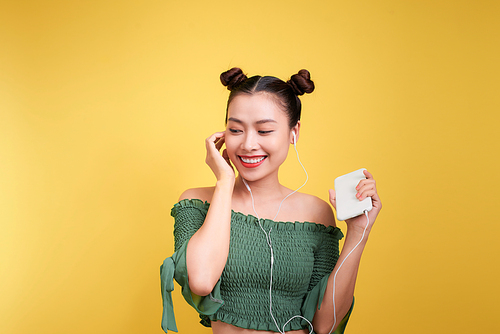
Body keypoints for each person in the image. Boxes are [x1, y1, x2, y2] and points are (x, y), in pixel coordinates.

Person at [160, 68, 382, 334]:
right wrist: (224, 182)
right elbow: (202, 282)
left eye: (264, 131)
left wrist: (358, 232)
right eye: (235, 129)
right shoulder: (196, 202)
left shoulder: (315, 213)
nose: (248, 144)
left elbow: (326, 326)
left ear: (293, 132)